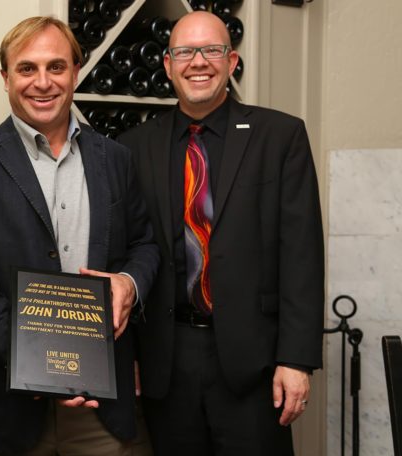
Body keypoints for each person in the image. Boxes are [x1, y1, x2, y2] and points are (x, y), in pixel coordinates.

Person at [0, 16, 159, 455]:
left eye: (56, 67)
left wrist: (129, 283)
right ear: (5, 78)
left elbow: (145, 245)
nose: (42, 83)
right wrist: (36, 356)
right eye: (27, 69)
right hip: (6, 405)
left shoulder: (115, 158)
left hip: (102, 404)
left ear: (75, 73)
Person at [118, 11, 324, 456]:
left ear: (231, 62)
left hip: (255, 363)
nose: (198, 62)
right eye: (184, 52)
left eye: (211, 50)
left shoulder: (280, 136)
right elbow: (130, 251)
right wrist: (126, 358)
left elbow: (302, 254)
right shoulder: (134, 148)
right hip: (165, 363)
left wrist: (296, 359)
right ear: (168, 65)